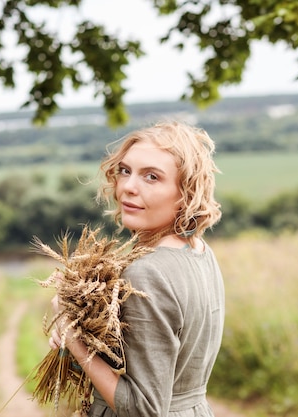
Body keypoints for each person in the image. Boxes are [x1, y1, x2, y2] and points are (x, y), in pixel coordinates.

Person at [48, 120, 225, 417]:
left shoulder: (147, 274)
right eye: (125, 171)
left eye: (152, 177)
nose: (128, 187)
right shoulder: (201, 253)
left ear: (186, 192)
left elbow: (144, 409)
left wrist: (74, 341)